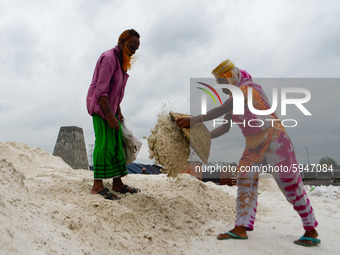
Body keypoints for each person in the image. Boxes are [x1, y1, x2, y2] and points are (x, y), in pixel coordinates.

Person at [176, 60, 320, 247]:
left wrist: (194, 121)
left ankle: (311, 229)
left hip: (275, 139)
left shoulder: (249, 88)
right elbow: (224, 128)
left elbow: (221, 109)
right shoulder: (235, 100)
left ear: (231, 77)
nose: (222, 88)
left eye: (223, 82)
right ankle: (241, 228)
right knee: (244, 180)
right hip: (253, 146)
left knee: (289, 184)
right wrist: (202, 138)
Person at [86, 29, 141, 200]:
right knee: (104, 144)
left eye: (136, 49)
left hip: (112, 108)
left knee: (118, 144)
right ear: (122, 42)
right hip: (101, 108)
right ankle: (97, 186)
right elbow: (101, 92)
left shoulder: (121, 61)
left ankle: (117, 183)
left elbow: (115, 92)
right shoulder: (109, 58)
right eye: (131, 47)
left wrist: (118, 112)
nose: (133, 52)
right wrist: (109, 117)